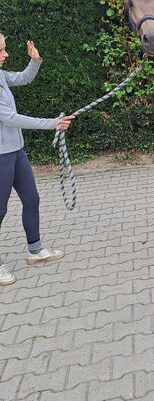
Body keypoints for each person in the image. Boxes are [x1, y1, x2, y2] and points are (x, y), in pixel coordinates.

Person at [0, 34, 74, 286]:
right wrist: (51, 124)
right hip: (0, 156)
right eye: (2, 50)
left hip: (16, 151)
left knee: (31, 198)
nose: (6, 54)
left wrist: (35, 60)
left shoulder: (0, 76)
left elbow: (23, 78)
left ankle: (35, 249)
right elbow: (10, 118)